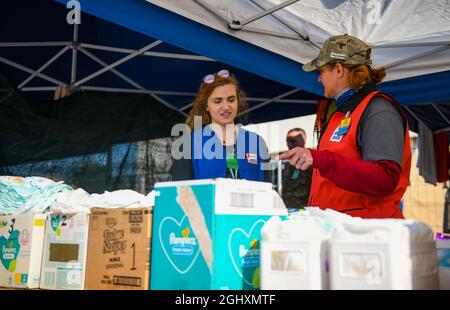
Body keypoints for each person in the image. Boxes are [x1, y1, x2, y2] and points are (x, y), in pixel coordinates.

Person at [279, 35, 411, 219]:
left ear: (339, 70)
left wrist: (323, 159)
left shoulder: (378, 110)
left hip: (368, 235)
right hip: (341, 231)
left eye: (322, 71)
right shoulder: (340, 114)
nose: (318, 79)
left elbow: (384, 178)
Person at [171, 69, 269, 181]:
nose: (226, 107)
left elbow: (267, 189)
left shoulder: (256, 142)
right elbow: (180, 192)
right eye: (218, 101)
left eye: (231, 100)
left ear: (238, 101)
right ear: (206, 106)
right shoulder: (188, 144)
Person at [281, 128, 312, 209]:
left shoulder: (312, 162)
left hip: (306, 210)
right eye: (288, 140)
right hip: (288, 208)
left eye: (294, 140)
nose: (291, 144)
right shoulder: (287, 164)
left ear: (304, 140)